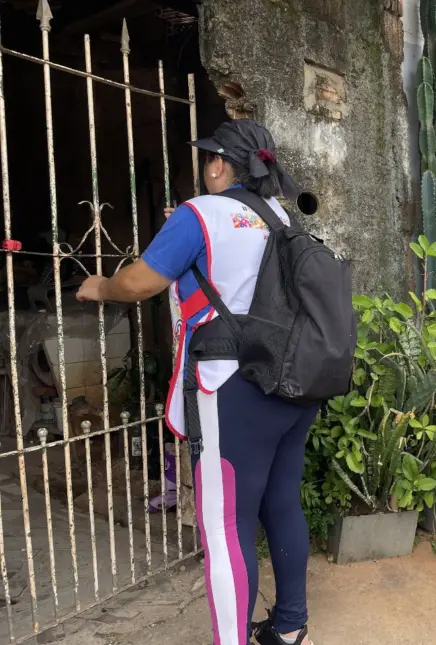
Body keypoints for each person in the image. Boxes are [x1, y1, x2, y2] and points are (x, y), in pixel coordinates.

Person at [77, 119, 315, 645]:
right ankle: (291, 625)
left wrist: (98, 286)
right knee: (282, 502)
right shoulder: (280, 216)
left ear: (218, 165)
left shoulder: (199, 214)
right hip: (293, 385)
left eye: (207, 159)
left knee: (225, 526)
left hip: (231, 390)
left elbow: (138, 283)